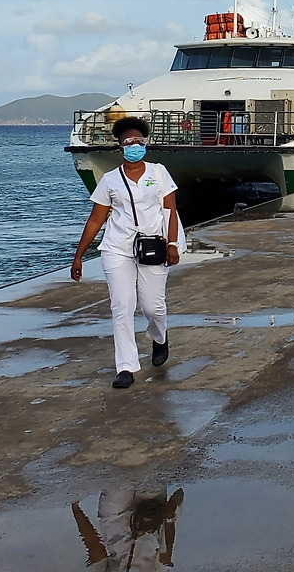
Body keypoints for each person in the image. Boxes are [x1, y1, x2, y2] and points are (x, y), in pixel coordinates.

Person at [71, 117, 180, 389]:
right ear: (120, 147)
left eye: (138, 141)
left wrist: (173, 244)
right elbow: (96, 219)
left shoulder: (158, 173)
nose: (134, 145)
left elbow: (170, 210)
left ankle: (159, 337)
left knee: (153, 307)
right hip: (117, 248)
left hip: (154, 245)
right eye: (128, 142)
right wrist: (78, 256)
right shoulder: (110, 180)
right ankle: (126, 367)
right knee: (122, 306)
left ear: (145, 144)